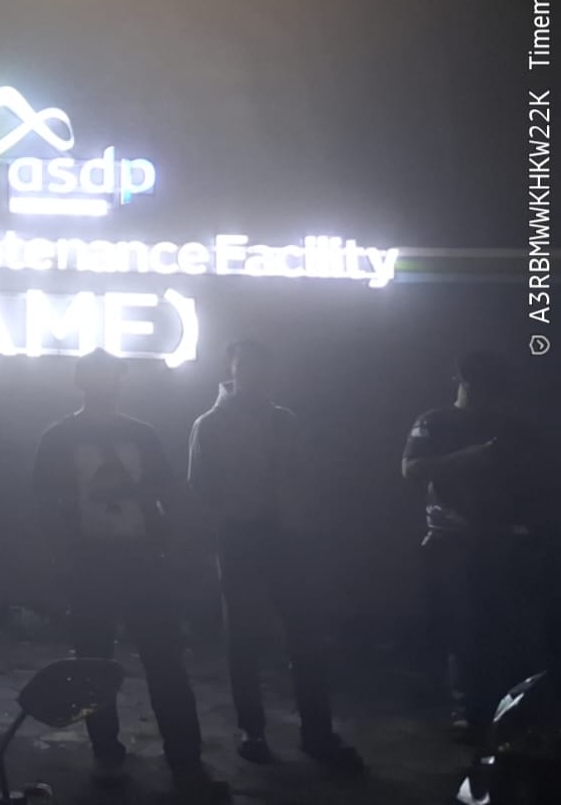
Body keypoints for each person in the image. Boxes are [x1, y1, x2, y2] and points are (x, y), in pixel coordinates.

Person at [32, 348, 231, 803]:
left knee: (162, 663)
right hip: (91, 564)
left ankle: (182, 759)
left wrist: (165, 544)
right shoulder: (63, 437)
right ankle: (111, 755)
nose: (107, 384)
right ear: (83, 382)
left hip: (140, 562)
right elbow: (45, 506)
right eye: (99, 376)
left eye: (112, 376)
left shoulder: (137, 435)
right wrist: (61, 561)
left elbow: (166, 493)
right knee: (95, 667)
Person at [187, 339, 363, 773]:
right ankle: (255, 731)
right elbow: (200, 487)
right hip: (242, 536)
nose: (256, 375)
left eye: (261, 367)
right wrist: (229, 521)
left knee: (303, 635)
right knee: (246, 638)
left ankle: (313, 731)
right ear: (232, 371)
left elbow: (304, 475)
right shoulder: (211, 424)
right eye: (247, 366)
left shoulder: (283, 420)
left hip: (285, 536)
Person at [403, 350, 544, 739]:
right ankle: (467, 710)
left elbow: (536, 478)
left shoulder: (512, 427)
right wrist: (473, 456)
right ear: (462, 380)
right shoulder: (434, 421)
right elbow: (412, 468)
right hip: (453, 541)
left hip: (504, 539)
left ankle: (509, 709)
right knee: (461, 627)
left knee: (507, 627)